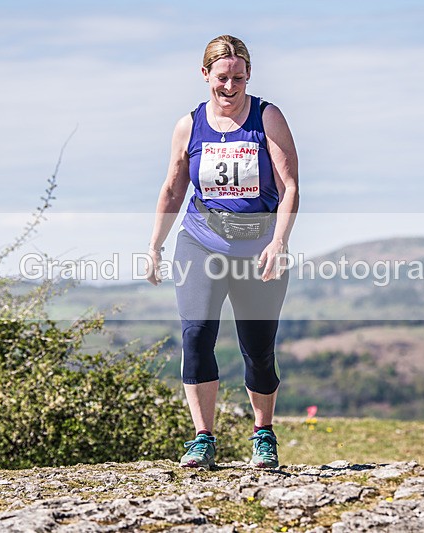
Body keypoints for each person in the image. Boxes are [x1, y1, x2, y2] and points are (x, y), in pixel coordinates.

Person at [146, 35, 299, 469]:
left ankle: (263, 433)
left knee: (258, 349)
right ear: (205, 75)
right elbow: (173, 188)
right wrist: (154, 246)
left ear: (249, 75)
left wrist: (279, 241)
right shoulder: (189, 125)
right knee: (196, 335)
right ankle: (203, 438)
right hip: (201, 241)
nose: (229, 87)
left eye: (238, 78)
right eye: (222, 78)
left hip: (259, 247)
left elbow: (290, 187)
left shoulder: (267, 118)